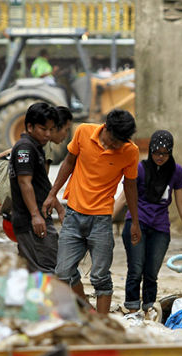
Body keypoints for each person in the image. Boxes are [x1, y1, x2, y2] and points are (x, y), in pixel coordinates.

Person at [41, 109, 141, 314]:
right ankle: (83, 310)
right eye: (114, 140)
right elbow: (68, 162)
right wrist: (53, 194)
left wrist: (135, 222)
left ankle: (102, 324)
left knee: (100, 276)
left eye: (121, 142)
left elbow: (130, 186)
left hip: (102, 220)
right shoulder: (83, 132)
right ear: (106, 127)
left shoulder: (130, 151)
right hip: (74, 216)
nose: (115, 146)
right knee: (62, 272)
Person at [113, 130, 182, 319]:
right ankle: (132, 309)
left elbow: (181, 203)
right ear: (151, 151)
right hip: (137, 223)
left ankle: (149, 309)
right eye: (156, 152)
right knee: (136, 269)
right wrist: (106, 220)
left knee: (151, 272)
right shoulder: (140, 169)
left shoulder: (176, 171)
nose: (160, 157)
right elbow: (124, 198)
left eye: (164, 153)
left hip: (160, 227)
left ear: (170, 152)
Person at [8, 102, 63, 273]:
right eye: (43, 129)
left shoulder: (35, 147)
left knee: (33, 270)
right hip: (31, 221)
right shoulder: (25, 148)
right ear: (29, 126)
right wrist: (35, 216)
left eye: (51, 129)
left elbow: (42, 185)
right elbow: (25, 183)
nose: (48, 134)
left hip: (36, 218)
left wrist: (59, 208)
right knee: (47, 269)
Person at [44, 106, 73, 171]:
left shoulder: (46, 145)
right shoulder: (43, 146)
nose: (66, 135)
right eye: (66, 130)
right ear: (56, 127)